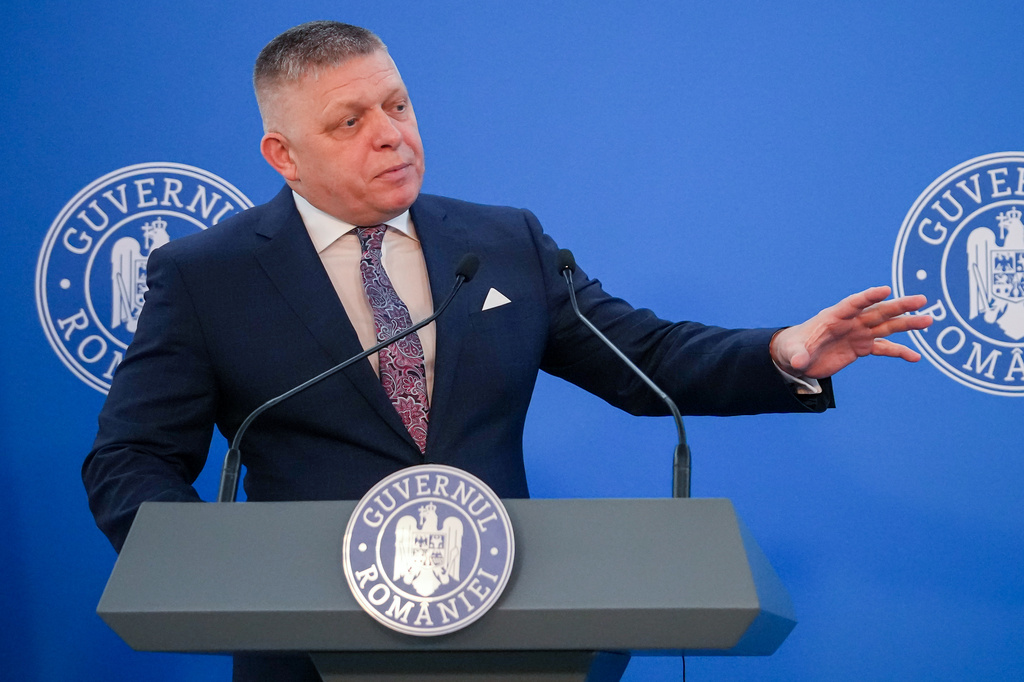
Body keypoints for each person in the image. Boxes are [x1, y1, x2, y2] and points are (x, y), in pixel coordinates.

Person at [82, 21, 932, 682]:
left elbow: (645, 357)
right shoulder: (208, 276)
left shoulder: (501, 243)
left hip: (512, 636)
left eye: (398, 106)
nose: (391, 135)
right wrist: (215, 569)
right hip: (308, 653)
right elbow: (131, 456)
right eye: (350, 121)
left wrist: (783, 351)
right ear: (284, 156)